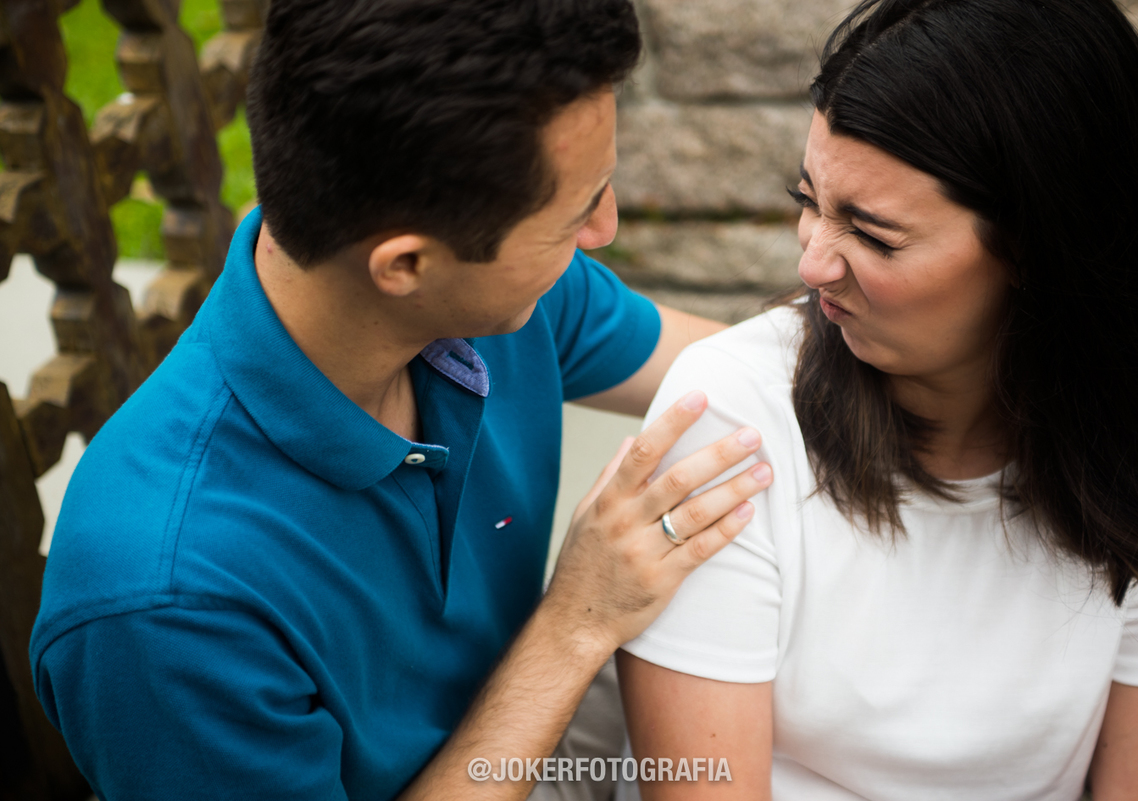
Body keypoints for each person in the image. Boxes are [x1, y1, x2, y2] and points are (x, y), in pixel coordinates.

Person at [27, 1, 776, 799]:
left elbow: (741, 373)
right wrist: (577, 622)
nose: (605, 227)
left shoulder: (487, 298)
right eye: (571, 217)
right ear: (406, 265)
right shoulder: (165, 606)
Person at [617, 0, 1138, 798]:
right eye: (808, 200)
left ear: (1042, 247)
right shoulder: (732, 417)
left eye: (874, 235)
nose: (813, 264)